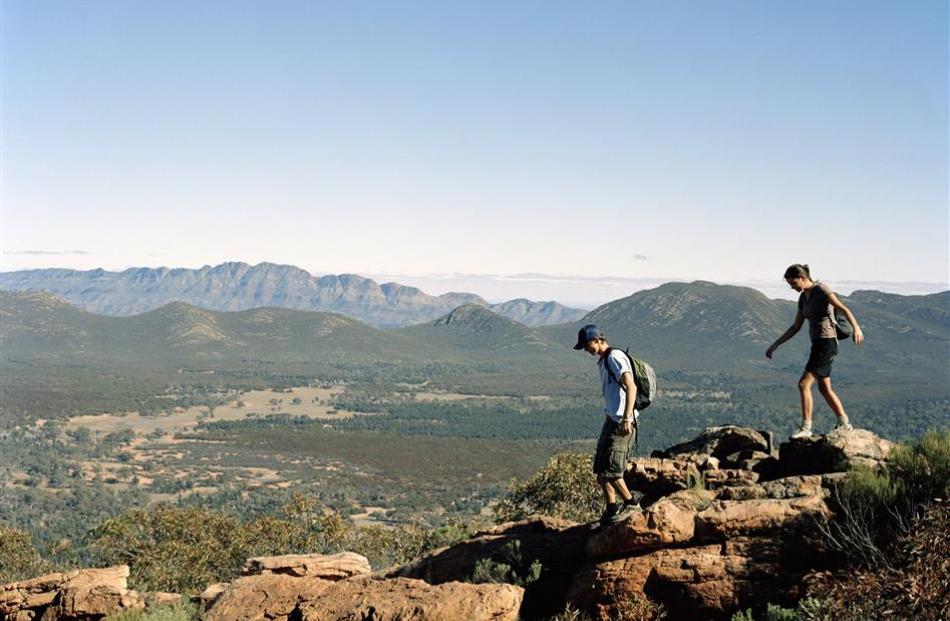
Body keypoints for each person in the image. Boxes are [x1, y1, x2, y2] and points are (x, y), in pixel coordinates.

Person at [766, 264, 865, 439]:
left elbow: (843, 308)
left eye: (794, 283)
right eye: (790, 284)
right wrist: (776, 344)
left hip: (826, 344)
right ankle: (844, 423)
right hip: (818, 344)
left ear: (803, 278)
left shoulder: (821, 290)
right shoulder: (803, 298)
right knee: (824, 388)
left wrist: (856, 328)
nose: (793, 287)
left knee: (803, 384)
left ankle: (806, 427)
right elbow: (796, 326)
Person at [573, 324, 641, 527]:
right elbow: (614, 392)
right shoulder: (604, 361)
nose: (587, 350)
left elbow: (631, 387)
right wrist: (609, 414)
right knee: (601, 468)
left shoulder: (614, 357)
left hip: (622, 422)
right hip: (612, 420)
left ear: (598, 340)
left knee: (611, 470)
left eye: (588, 345)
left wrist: (627, 418)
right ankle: (612, 510)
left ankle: (631, 503)